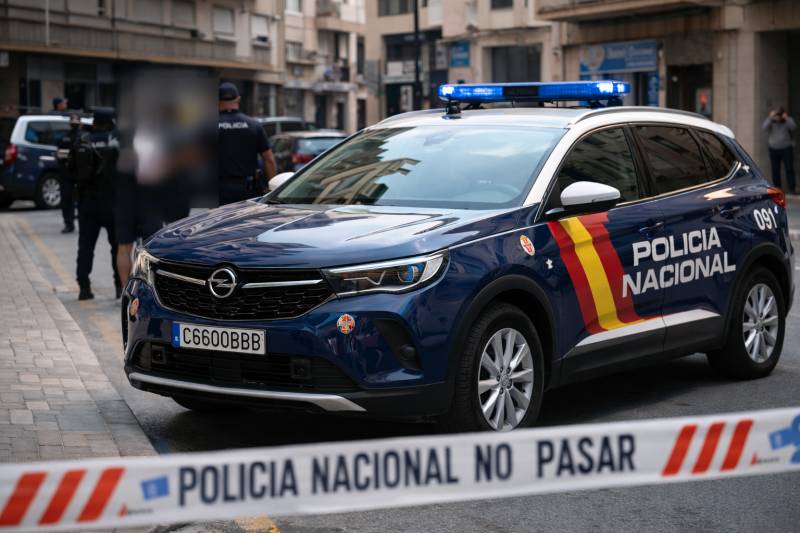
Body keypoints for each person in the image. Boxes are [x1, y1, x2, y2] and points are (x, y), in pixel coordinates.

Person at [74, 107, 121, 300]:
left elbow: (71, 170)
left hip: (88, 202)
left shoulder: (83, 141)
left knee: (86, 246)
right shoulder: (116, 140)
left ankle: (84, 287)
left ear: (94, 122)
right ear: (111, 122)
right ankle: (119, 285)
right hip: (113, 203)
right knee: (118, 247)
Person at [217, 82, 276, 205]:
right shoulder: (254, 125)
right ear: (238, 99)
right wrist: (273, 189)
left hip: (218, 190)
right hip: (247, 189)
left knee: (219, 218)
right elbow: (269, 159)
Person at [55, 114, 80, 233]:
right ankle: (69, 223)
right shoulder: (65, 138)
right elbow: (60, 156)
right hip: (70, 173)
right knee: (67, 199)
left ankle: (72, 223)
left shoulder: (83, 137)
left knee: (78, 200)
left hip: (78, 174)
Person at [762, 106, 796, 193]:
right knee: (775, 170)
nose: (778, 116)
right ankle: (778, 189)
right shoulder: (771, 121)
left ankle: (792, 188)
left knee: (789, 168)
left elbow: (793, 127)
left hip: (786, 148)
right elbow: (764, 127)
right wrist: (770, 117)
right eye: (777, 114)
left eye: (779, 114)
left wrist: (786, 118)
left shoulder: (787, 120)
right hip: (773, 148)